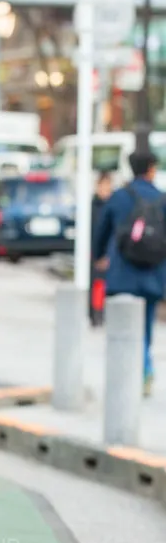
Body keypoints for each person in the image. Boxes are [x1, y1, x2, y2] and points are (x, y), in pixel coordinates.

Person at [94, 150, 166, 396]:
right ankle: (145, 366)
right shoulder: (161, 198)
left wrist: (100, 256)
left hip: (122, 273)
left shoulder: (119, 197)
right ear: (151, 168)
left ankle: (134, 371)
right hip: (153, 272)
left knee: (123, 327)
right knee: (146, 325)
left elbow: (102, 231)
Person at [89, 171, 113, 326]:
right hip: (96, 251)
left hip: (110, 251)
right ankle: (96, 314)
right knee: (98, 283)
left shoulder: (113, 206)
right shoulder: (93, 206)